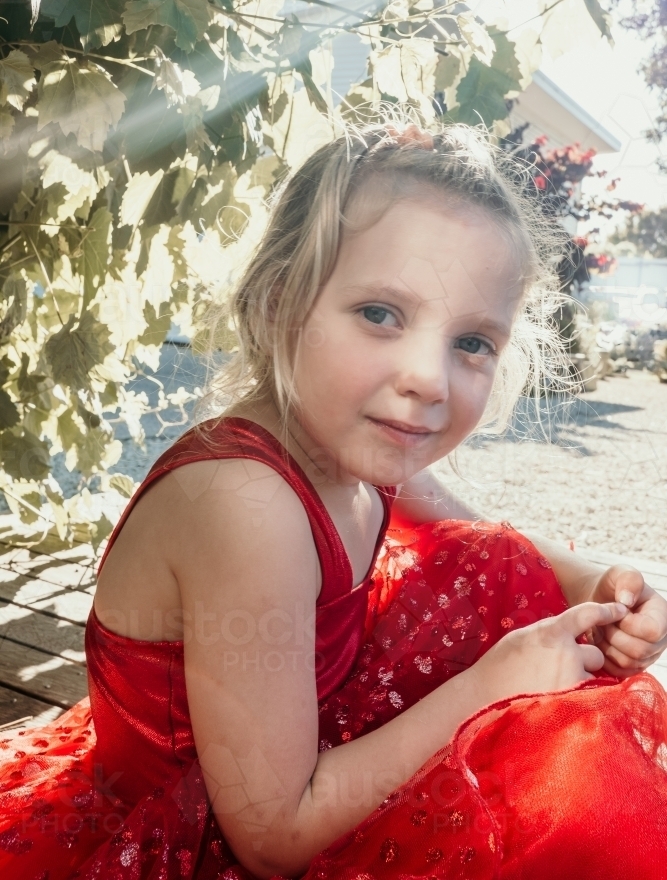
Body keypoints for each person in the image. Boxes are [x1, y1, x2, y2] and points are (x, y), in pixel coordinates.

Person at [1, 121, 667, 880]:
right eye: (380, 314)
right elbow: (271, 838)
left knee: (488, 568)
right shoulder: (246, 503)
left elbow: (470, 531)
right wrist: (492, 685)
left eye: (472, 342)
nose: (427, 376)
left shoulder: (356, 441)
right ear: (280, 302)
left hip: (293, 751)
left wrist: (593, 579)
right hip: (196, 839)